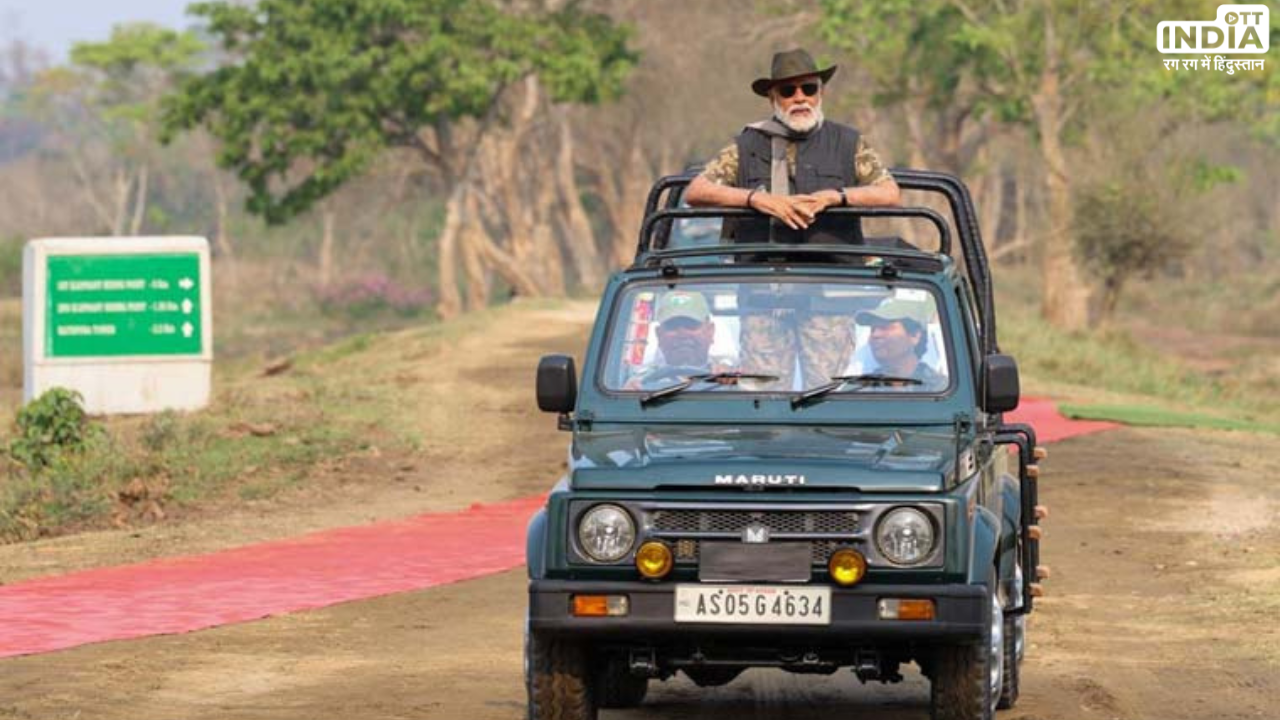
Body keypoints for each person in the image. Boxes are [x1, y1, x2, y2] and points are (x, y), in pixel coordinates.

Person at [683, 47, 901, 242]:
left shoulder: (848, 142)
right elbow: (696, 191)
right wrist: (756, 200)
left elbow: (889, 193)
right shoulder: (746, 145)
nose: (800, 98)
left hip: (836, 277)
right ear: (773, 98)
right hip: (759, 278)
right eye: (788, 91)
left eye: (808, 89)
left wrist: (835, 197)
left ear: (820, 93)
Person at [625, 291, 727, 389]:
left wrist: (734, 383)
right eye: (672, 326)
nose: (682, 334)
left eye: (691, 325)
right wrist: (627, 399)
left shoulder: (730, 378)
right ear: (659, 335)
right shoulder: (639, 383)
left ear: (710, 331)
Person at [855, 298, 947, 391]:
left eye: (885, 327)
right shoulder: (857, 389)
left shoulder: (941, 389)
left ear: (915, 336)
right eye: (873, 329)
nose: (875, 335)